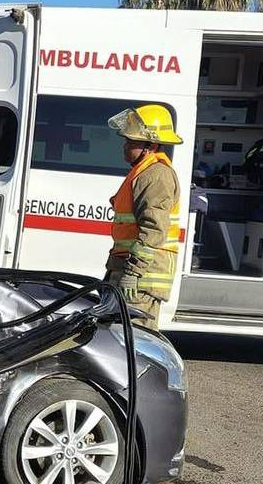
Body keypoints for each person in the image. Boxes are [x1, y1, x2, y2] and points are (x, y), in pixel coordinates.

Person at [105, 104, 183, 329]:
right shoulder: (144, 172)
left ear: (150, 145)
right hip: (132, 274)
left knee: (135, 342)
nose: (124, 146)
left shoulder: (156, 176)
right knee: (118, 341)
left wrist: (132, 271)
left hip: (142, 279)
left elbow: (153, 229)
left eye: (131, 142)